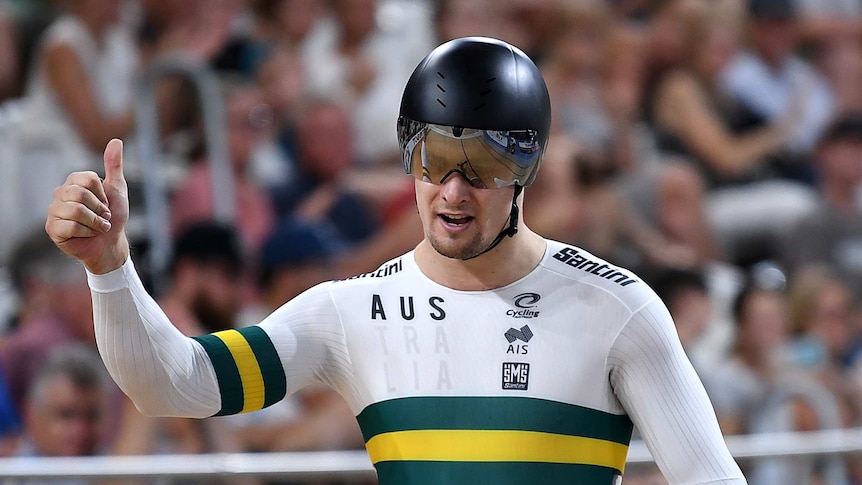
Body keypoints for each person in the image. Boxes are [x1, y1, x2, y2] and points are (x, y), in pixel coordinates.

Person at [45, 37, 746, 484]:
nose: (450, 189)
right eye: (432, 158)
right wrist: (110, 267)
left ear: (526, 168)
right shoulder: (351, 310)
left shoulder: (617, 308)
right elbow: (175, 384)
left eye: (481, 163)